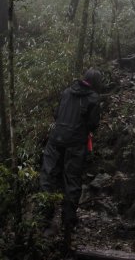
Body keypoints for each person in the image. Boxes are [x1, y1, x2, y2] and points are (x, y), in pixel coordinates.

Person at [40, 68, 102, 248]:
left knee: (48, 176)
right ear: (97, 82)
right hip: (75, 144)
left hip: (55, 140)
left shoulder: (67, 91)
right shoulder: (93, 98)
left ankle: (44, 219)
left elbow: (57, 114)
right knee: (72, 180)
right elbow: (93, 124)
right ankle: (68, 223)